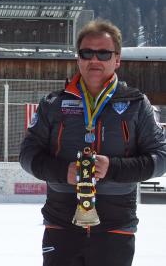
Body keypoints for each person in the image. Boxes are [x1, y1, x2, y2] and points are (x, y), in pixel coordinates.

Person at [20, 19, 166, 266]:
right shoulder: (53, 104)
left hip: (115, 226)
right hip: (61, 223)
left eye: (104, 53)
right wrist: (61, 171)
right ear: (78, 58)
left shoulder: (136, 104)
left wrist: (114, 168)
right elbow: (27, 155)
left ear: (117, 59)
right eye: (87, 53)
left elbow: (161, 157)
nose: (94, 60)